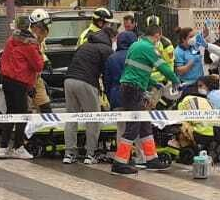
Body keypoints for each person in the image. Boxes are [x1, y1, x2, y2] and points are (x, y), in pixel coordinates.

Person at [112, 22, 179, 175]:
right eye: (158, 39)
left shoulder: (135, 46)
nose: (158, 42)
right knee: (134, 126)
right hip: (133, 89)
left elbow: (136, 70)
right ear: (157, 36)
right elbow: (163, 67)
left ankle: (151, 159)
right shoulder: (148, 48)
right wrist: (175, 80)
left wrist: (152, 83)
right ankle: (120, 162)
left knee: (144, 125)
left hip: (130, 87)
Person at [0, 9, 50, 159]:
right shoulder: (30, 44)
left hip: (7, 80)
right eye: (44, 30)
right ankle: (18, 147)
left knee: (10, 113)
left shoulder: (12, 39)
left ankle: (3, 147)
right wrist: (42, 57)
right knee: (22, 115)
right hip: (20, 82)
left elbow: (3, 59)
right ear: (37, 28)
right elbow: (38, 66)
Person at [62, 23, 113, 164]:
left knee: (71, 117)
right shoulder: (106, 49)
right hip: (86, 82)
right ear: (110, 37)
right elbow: (107, 73)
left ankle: (69, 153)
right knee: (93, 118)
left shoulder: (85, 45)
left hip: (69, 80)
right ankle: (90, 154)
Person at [173, 26, 206, 93]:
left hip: (200, 82)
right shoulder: (178, 51)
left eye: (194, 36)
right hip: (188, 85)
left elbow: (203, 35)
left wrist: (206, 29)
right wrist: (192, 62)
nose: (193, 39)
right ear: (183, 39)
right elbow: (180, 71)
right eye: (191, 37)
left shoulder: (193, 46)